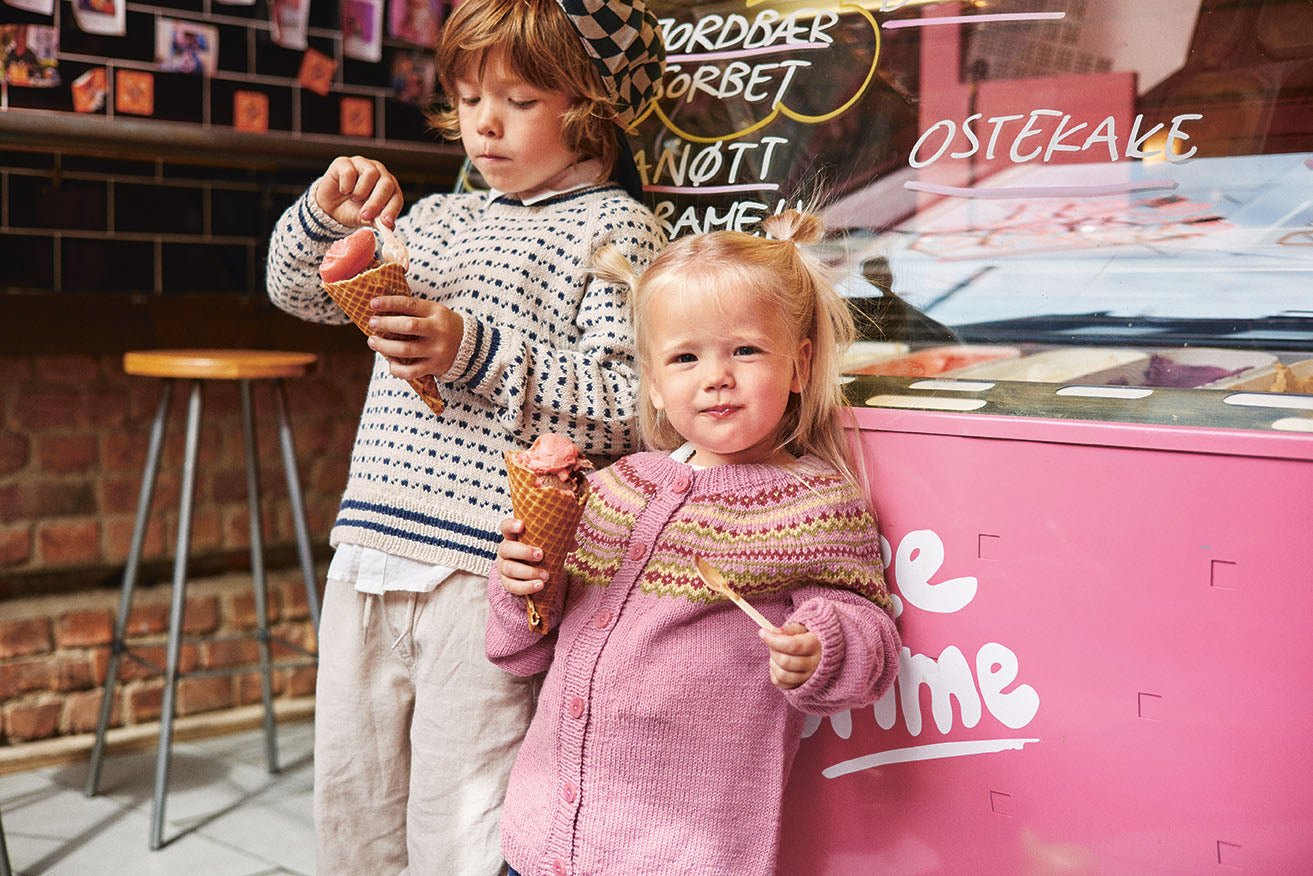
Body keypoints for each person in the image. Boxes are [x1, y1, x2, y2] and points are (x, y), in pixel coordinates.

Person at [264, 0, 666, 871]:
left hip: (485, 567)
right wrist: (325, 214)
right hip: (371, 546)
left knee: (462, 815)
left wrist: (470, 349)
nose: (485, 122)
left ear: (593, 105)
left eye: (519, 99)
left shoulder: (617, 229)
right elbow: (295, 293)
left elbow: (633, 404)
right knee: (352, 797)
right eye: (471, 95)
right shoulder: (440, 218)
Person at [488, 209, 902, 876]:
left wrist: (820, 644)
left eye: (744, 350)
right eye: (684, 357)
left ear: (798, 366)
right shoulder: (611, 490)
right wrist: (518, 584)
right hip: (538, 841)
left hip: (679, 853)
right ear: (653, 381)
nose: (716, 376)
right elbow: (520, 650)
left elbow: (870, 639)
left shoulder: (813, 503)